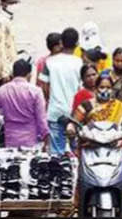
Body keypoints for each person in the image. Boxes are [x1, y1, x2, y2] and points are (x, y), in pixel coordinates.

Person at [67, 73, 122, 216]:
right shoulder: (86, 106)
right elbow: (74, 122)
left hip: (114, 150)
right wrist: (70, 129)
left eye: (108, 87)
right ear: (95, 88)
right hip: (90, 150)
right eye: (101, 87)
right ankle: (78, 208)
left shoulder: (119, 107)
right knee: (80, 183)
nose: (104, 90)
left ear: (112, 89)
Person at [38, 27, 83, 155]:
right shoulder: (79, 63)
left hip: (55, 111)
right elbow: (82, 88)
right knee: (76, 150)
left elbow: (44, 86)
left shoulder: (49, 62)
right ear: (77, 44)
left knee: (57, 152)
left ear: (61, 42)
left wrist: (50, 98)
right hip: (75, 113)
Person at [0, 59, 50, 149]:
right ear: (29, 74)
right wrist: (46, 142)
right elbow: (42, 120)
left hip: (10, 141)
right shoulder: (36, 92)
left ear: (13, 74)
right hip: (30, 142)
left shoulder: (1, 91)